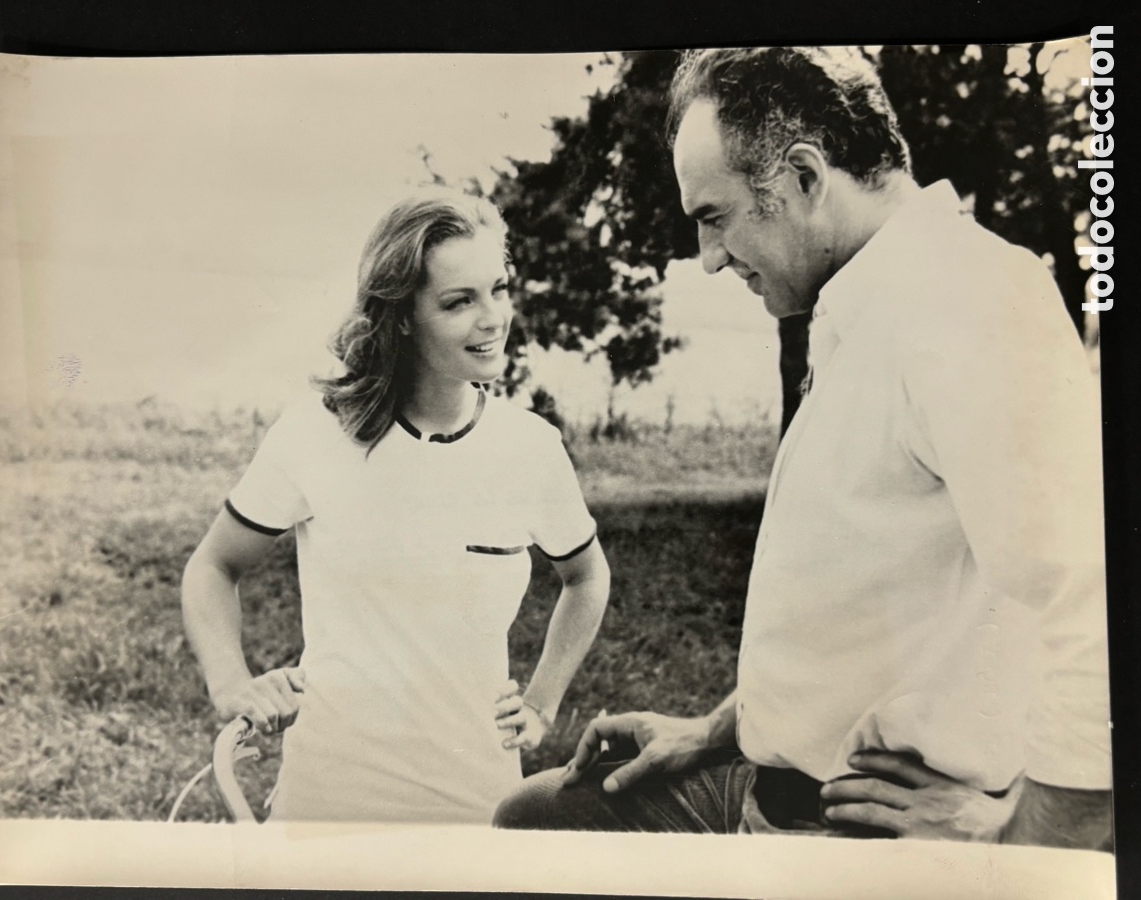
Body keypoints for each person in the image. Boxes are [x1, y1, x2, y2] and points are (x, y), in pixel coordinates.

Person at [494, 46, 1112, 849]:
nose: (709, 258)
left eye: (713, 217)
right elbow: (855, 608)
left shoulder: (966, 299)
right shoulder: (873, 298)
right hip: (770, 782)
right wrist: (715, 731)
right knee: (532, 819)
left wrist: (1014, 850)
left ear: (804, 176)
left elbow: (1097, 604)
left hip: (858, 833)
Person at [182, 188, 610, 824]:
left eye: (499, 289)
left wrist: (542, 703)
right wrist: (230, 683)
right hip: (327, 801)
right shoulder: (316, 433)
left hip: (476, 800)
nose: (493, 318)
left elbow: (587, 576)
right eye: (459, 301)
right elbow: (213, 567)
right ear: (403, 315)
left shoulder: (531, 448)